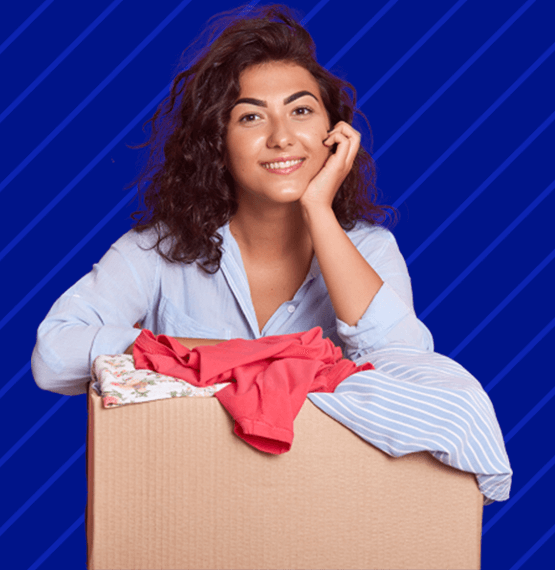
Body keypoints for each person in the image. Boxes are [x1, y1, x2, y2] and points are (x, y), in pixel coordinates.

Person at [32, 4, 433, 396]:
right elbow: (52, 356)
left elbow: (408, 372)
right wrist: (202, 354)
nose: (281, 137)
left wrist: (318, 210)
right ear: (217, 143)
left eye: (301, 111)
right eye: (251, 117)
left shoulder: (370, 250)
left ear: (333, 130)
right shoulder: (157, 253)